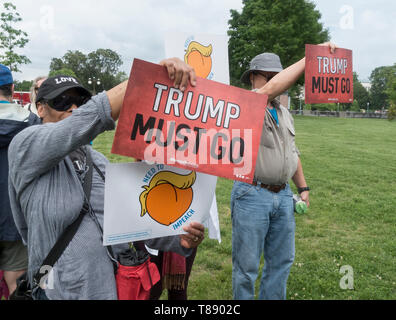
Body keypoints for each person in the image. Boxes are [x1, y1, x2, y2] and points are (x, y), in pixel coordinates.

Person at [8, 58, 205, 300]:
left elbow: (129, 218)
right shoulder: (24, 146)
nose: (73, 108)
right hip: (57, 292)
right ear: (40, 108)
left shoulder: (97, 160)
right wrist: (148, 78)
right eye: (61, 101)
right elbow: (80, 124)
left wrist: (179, 238)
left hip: (109, 290)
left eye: (81, 102)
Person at [230, 42, 336, 300]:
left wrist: (303, 187)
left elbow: (292, 152)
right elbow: (269, 91)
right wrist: (310, 58)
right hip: (252, 194)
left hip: (284, 196)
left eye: (276, 75)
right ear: (253, 77)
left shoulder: (284, 112)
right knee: (246, 269)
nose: (275, 81)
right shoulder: (247, 103)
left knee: (281, 263)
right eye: (267, 76)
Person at [0, 64, 40, 296]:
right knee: (18, 285)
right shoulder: (33, 121)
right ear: (13, 89)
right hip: (19, 216)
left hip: (18, 217)